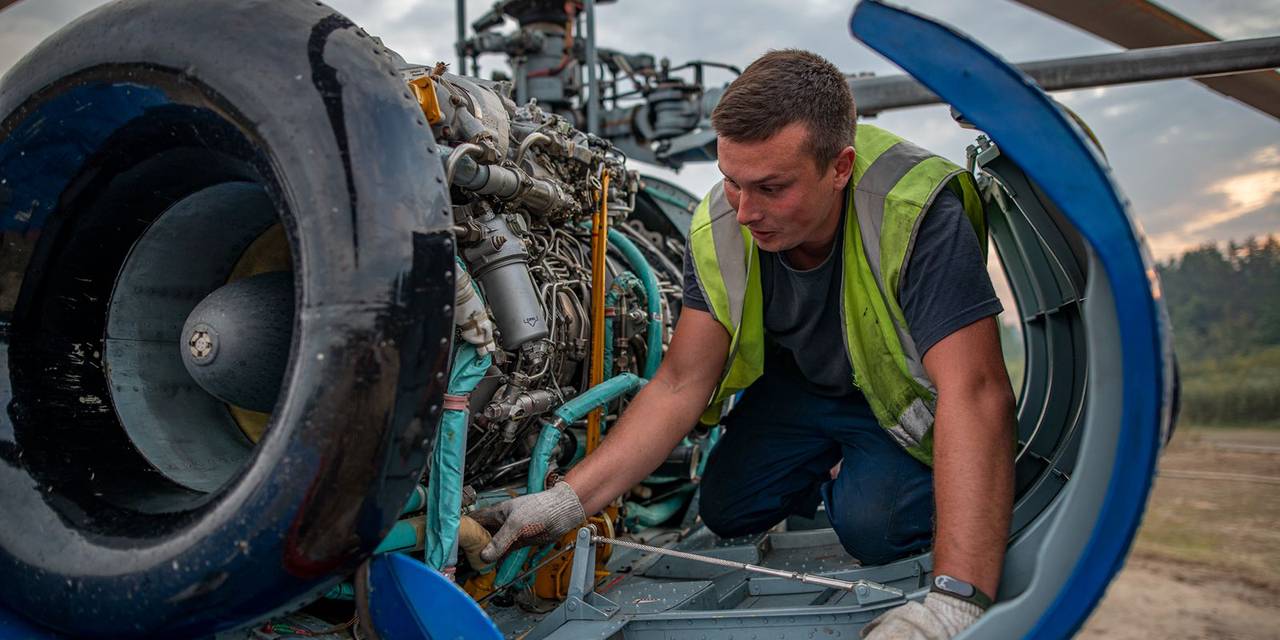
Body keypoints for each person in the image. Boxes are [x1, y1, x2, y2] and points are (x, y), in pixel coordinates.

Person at [472, 49, 1016, 640]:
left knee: (875, 527)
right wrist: (564, 502)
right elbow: (681, 382)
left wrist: (957, 598)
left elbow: (976, 389)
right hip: (801, 389)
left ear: (840, 167)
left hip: (890, 398)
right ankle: (836, 467)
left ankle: (867, 483)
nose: (747, 211)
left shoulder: (914, 207)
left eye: (771, 187)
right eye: (731, 181)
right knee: (726, 508)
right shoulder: (721, 222)